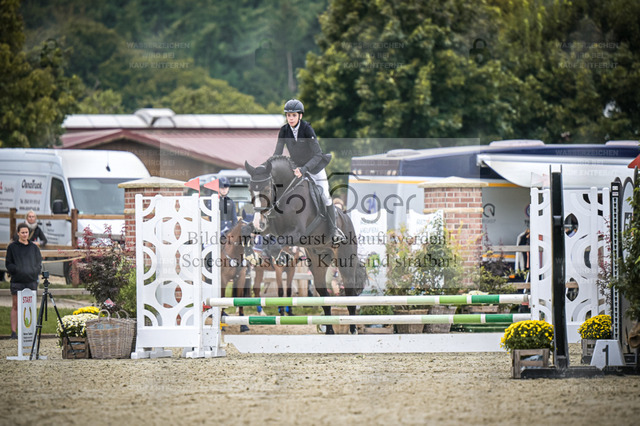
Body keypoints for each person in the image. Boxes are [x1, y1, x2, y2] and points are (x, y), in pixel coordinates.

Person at [273, 99, 345, 243]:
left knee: (325, 195)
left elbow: (318, 154)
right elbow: (277, 154)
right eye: (288, 115)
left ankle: (334, 230)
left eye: (294, 115)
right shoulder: (284, 130)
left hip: (315, 167)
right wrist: (271, 167)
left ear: (300, 116)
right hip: (296, 168)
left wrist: (305, 169)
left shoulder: (307, 129)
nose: (291, 118)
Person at [6, 222, 43, 339]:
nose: (25, 234)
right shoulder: (12, 247)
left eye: (26, 232)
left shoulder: (34, 247)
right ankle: (13, 332)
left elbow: (39, 263)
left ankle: (29, 332)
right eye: (22, 232)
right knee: (16, 305)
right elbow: (8, 264)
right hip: (17, 281)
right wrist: (17, 270)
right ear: (18, 233)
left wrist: (33, 271)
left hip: (31, 281)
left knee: (30, 306)